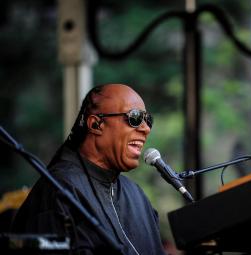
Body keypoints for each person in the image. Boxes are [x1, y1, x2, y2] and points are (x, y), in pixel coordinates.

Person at [11, 83, 167, 255]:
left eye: (148, 120)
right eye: (135, 118)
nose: (145, 128)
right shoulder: (59, 191)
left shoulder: (136, 195)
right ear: (96, 124)